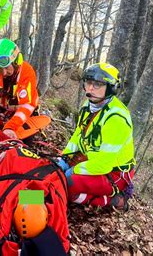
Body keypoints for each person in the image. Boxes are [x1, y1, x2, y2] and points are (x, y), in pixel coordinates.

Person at [57, 63, 135, 211]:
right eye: (88, 82)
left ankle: (114, 201)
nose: (90, 88)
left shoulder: (116, 119)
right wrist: (65, 159)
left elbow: (104, 164)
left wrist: (73, 170)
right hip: (92, 160)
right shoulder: (89, 106)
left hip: (114, 172)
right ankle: (25, 197)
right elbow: (78, 136)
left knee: (68, 183)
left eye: (98, 84)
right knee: (55, 173)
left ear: (111, 87)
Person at [0, 38, 39, 139]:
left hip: (22, 108)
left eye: (6, 67)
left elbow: (26, 106)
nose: (3, 73)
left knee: (26, 140)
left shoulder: (27, 73)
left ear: (16, 61)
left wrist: (10, 127)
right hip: (1, 105)